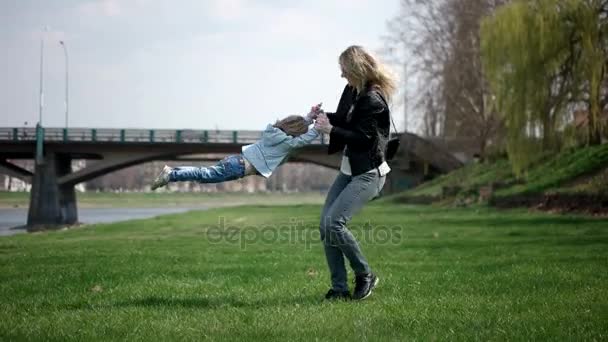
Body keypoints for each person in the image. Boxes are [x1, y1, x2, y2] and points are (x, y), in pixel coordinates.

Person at [313, 45, 397, 301]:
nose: (341, 76)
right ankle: (339, 289)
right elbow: (342, 118)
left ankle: (365, 274)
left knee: (333, 223)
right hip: (349, 170)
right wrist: (321, 116)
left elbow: (364, 138)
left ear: (356, 69)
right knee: (325, 226)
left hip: (369, 173)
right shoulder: (352, 89)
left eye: (344, 70)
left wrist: (329, 131)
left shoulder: (373, 99)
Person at [150, 106, 322, 190]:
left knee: (204, 173)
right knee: (204, 175)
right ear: (296, 133)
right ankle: (171, 174)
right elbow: (301, 141)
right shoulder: (286, 143)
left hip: (235, 162)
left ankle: (171, 171)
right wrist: (317, 128)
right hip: (238, 166)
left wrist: (308, 118)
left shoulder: (273, 131)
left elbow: (295, 128)